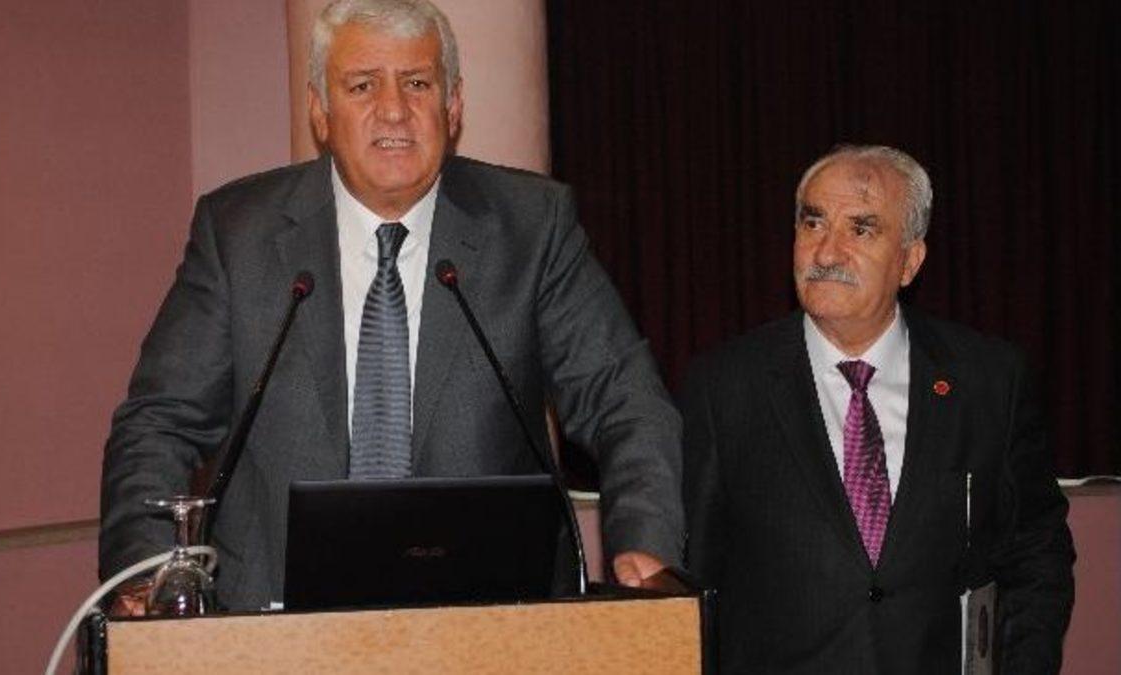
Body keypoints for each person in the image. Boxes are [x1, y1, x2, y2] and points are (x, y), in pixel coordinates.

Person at [100, 0, 682, 613]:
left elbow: (625, 399)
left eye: (417, 83)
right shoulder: (239, 234)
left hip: (492, 621)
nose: (394, 109)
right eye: (362, 85)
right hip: (277, 627)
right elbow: (158, 423)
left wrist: (647, 544)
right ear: (320, 111)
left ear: (453, 105)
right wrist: (147, 575)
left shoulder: (531, 227)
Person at [681, 145, 1075, 673]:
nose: (826, 253)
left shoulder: (988, 381)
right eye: (813, 223)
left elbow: (1036, 555)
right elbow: (695, 576)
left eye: (861, 230)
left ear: (909, 262)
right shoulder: (725, 386)